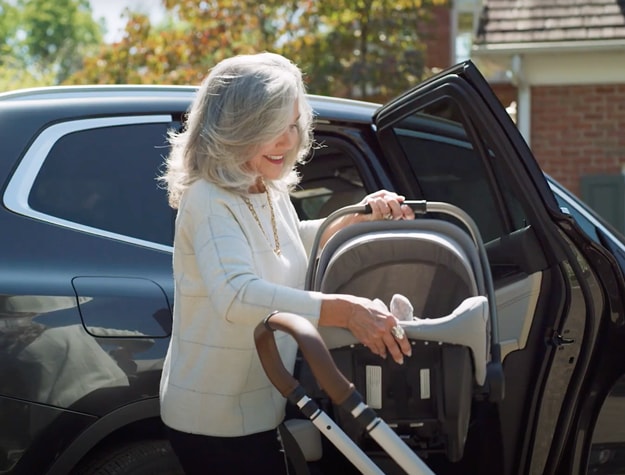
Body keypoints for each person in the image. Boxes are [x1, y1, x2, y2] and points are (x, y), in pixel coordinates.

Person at [158, 52, 415, 474]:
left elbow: (291, 245)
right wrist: (346, 311)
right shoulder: (207, 198)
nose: (287, 140)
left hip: (260, 405)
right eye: (272, 127)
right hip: (214, 419)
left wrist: (358, 214)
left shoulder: (267, 189)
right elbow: (238, 295)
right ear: (235, 126)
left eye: (293, 124)